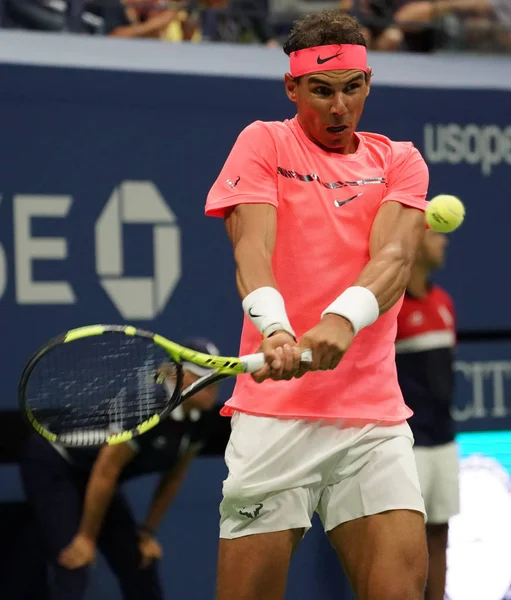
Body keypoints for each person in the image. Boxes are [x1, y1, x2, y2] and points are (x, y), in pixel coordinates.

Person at [205, 9, 430, 600]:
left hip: (371, 421)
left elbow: (395, 259)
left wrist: (341, 321)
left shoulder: (399, 162)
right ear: (292, 87)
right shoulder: (263, 142)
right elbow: (251, 245)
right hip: (275, 418)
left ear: (368, 83)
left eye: (352, 89)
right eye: (322, 91)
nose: (339, 107)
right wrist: (276, 329)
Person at [19, 337, 220, 600]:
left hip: (97, 476)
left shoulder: (202, 419)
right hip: (55, 463)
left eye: (215, 378)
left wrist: (147, 532)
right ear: (178, 374)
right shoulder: (148, 405)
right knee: (75, 563)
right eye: (202, 376)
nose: (211, 388)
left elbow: (174, 477)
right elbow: (107, 469)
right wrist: (87, 538)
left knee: (140, 561)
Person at [396, 229, 459, 600]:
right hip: (407, 444)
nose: (445, 242)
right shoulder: (392, 310)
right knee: (403, 546)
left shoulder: (444, 301)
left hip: (445, 441)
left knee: (440, 536)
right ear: (416, 243)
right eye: (437, 235)